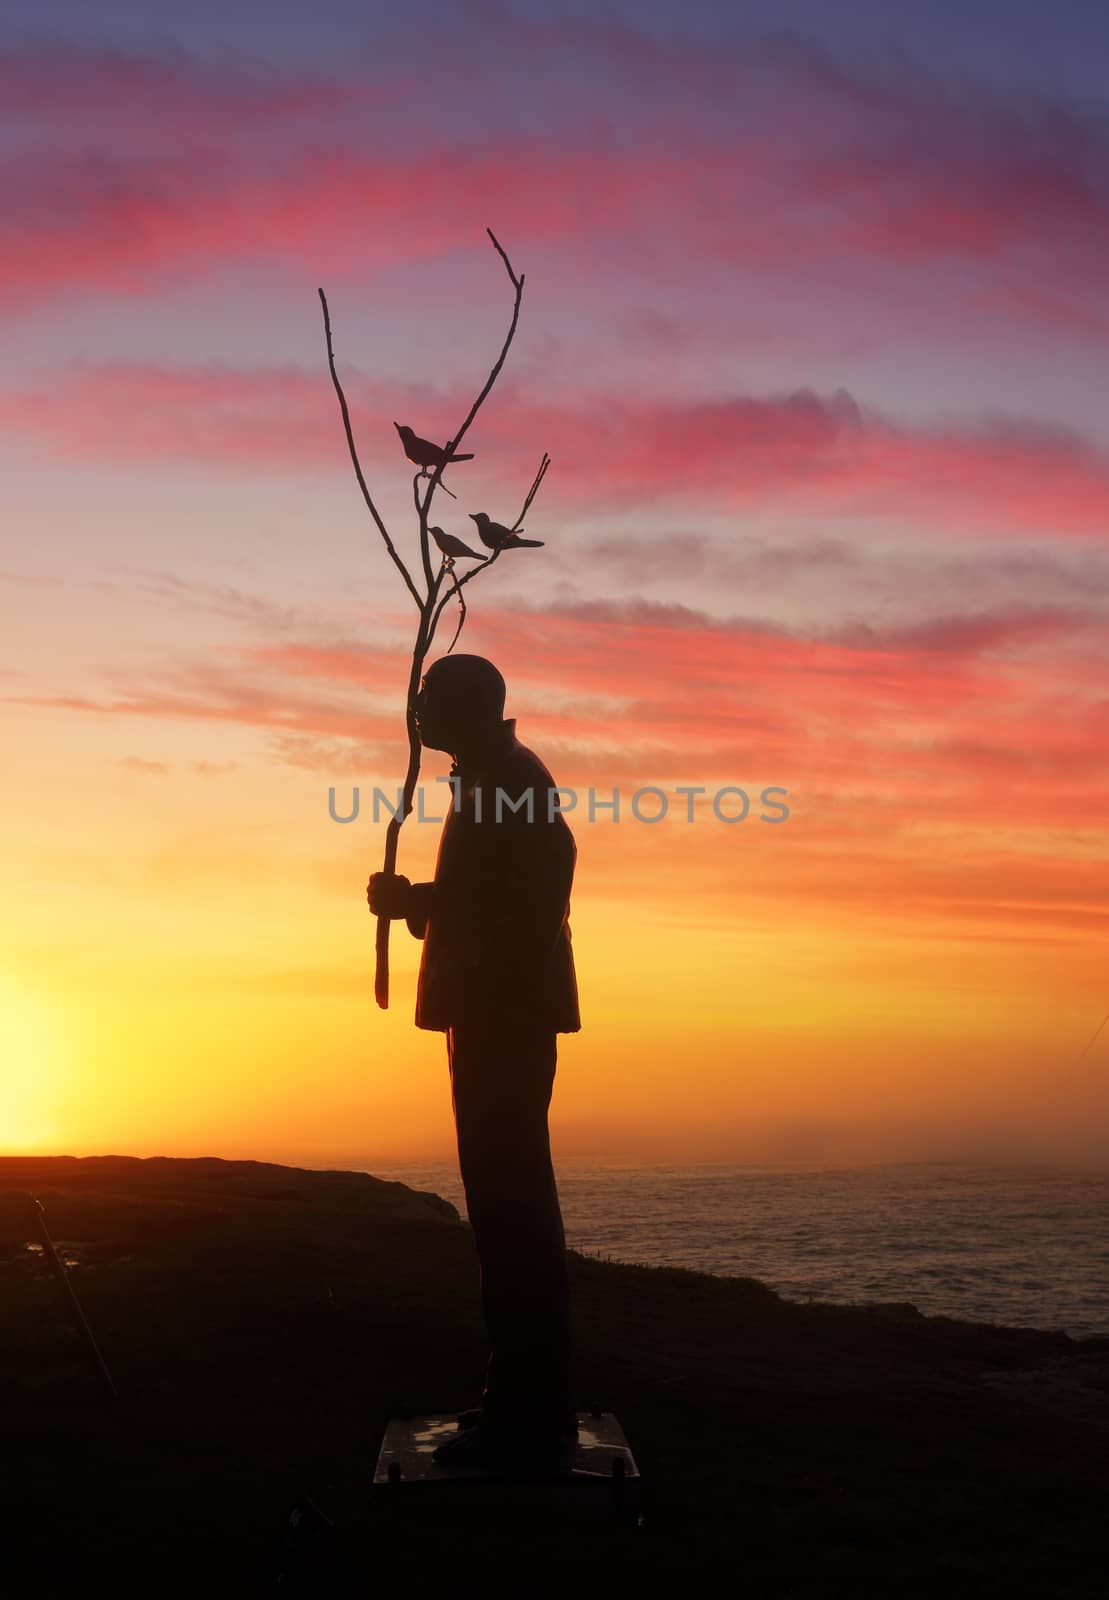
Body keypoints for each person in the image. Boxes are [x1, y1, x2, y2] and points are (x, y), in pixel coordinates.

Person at [367, 653, 581, 1471]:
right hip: (490, 1012)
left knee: (513, 1209)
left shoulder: (511, 781)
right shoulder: (488, 775)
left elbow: (532, 894)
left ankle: (529, 1415)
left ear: (467, 706)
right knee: (504, 1209)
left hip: (504, 1015)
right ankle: (518, 1397)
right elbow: (495, 895)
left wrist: (418, 904)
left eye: (429, 699)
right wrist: (422, 902)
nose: (415, 712)